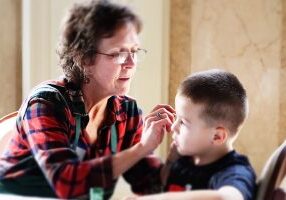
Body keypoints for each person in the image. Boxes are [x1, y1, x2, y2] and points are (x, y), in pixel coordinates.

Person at [0, 0, 175, 199]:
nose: (131, 63)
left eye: (134, 51)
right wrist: (141, 148)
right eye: (118, 53)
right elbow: (66, 183)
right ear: (84, 58)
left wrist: (181, 144)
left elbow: (152, 184)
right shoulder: (46, 103)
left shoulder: (126, 111)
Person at [129, 69, 256, 200]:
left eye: (183, 122)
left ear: (217, 136)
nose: (173, 127)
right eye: (176, 118)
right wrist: (169, 163)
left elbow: (227, 198)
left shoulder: (233, 171)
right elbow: (161, 188)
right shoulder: (184, 159)